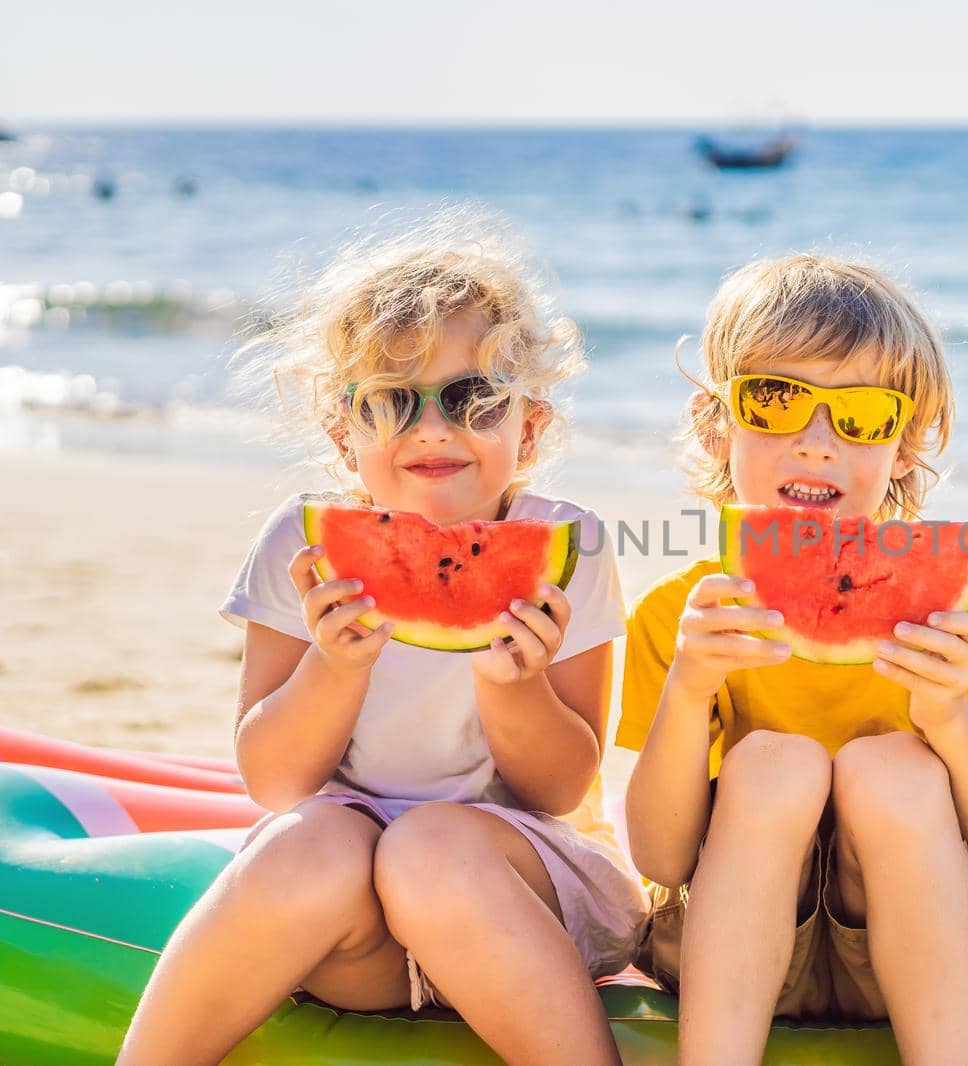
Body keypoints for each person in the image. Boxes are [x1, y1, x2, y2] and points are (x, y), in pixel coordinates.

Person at [118, 212, 647, 1066]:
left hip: (523, 901)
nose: (433, 430)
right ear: (343, 433)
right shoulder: (304, 544)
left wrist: (515, 689)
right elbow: (275, 780)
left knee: (430, 845)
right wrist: (332, 669)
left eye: (474, 400)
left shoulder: (567, 548)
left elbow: (559, 790)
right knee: (312, 841)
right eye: (391, 402)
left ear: (532, 427)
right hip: (357, 937)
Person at [619, 254, 968, 1065]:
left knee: (896, 767)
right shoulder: (683, 616)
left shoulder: (945, 613)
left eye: (864, 418)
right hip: (723, 950)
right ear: (716, 425)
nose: (815, 443)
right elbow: (660, 860)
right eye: (774, 402)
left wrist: (945, 716)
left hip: (918, 948)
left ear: (906, 448)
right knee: (771, 764)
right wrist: (689, 685)